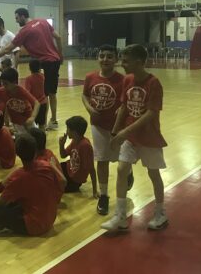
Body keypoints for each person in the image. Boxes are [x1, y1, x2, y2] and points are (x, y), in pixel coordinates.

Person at [101, 44, 168, 232]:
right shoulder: (128, 80)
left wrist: (125, 132)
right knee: (122, 169)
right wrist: (115, 132)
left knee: (153, 174)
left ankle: (160, 213)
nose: (122, 64)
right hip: (130, 137)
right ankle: (120, 216)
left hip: (149, 137)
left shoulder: (154, 83)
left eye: (126, 61)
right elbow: (123, 107)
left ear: (139, 62)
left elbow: (151, 113)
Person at [0, 135, 65, 236]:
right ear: (35, 151)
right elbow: (62, 182)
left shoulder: (20, 177)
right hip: (50, 217)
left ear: (18, 154)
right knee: (12, 203)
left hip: (34, 225)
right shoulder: (46, 165)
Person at [0, 9, 63, 131]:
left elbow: (8, 49)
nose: (16, 21)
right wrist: (60, 55)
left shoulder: (24, 31)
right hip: (51, 61)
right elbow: (58, 37)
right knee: (48, 93)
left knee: (47, 94)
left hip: (47, 62)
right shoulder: (43, 21)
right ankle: (48, 120)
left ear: (22, 16)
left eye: (17, 18)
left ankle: (51, 121)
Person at [82, 45, 132, 215]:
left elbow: (128, 101)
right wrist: (89, 108)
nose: (105, 59)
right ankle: (103, 196)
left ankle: (129, 172)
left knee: (121, 159)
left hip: (118, 126)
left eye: (109, 56)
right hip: (98, 124)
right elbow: (85, 95)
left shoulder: (123, 80)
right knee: (102, 160)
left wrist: (121, 109)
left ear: (116, 59)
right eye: (102, 56)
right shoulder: (90, 77)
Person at [0, 127, 61, 206]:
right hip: (48, 196)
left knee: (14, 180)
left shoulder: (40, 163)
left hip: (43, 200)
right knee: (13, 176)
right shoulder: (47, 153)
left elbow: (62, 181)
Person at [0, 68, 40, 137]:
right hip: (16, 121)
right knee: (23, 139)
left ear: (14, 82)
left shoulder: (21, 91)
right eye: (2, 83)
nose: (4, 86)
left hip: (27, 118)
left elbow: (37, 103)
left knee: (35, 137)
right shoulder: (2, 91)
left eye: (6, 84)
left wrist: (32, 117)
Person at [58, 116, 97, 196]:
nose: (66, 131)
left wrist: (95, 191)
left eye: (68, 129)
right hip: (68, 169)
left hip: (74, 181)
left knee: (55, 187)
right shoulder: (74, 140)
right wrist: (61, 145)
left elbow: (91, 169)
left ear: (74, 132)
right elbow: (63, 155)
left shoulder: (85, 146)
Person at [24, 59, 48, 131]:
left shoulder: (28, 79)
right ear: (39, 68)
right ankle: (42, 137)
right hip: (43, 103)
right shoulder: (43, 77)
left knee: (31, 124)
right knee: (42, 125)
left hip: (33, 105)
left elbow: (27, 93)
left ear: (30, 68)